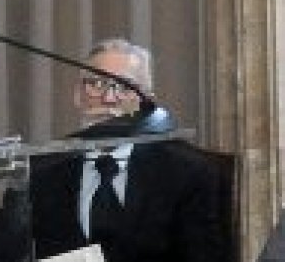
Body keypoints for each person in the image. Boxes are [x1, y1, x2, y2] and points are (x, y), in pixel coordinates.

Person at [28, 38, 226, 262]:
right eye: (97, 84)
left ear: (147, 103)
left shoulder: (188, 173)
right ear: (77, 95)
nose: (108, 99)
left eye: (124, 87)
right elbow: (5, 252)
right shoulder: (39, 170)